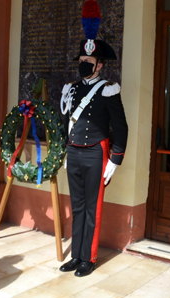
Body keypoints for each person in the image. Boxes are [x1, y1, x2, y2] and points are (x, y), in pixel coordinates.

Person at [59, 0, 128, 277]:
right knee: (76, 206)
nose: (84, 64)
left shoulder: (109, 90)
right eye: (82, 61)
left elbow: (120, 127)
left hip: (96, 152)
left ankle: (89, 258)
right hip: (75, 152)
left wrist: (115, 158)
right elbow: (66, 122)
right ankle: (76, 255)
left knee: (92, 207)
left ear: (99, 65)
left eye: (89, 62)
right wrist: (66, 151)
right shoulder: (71, 89)